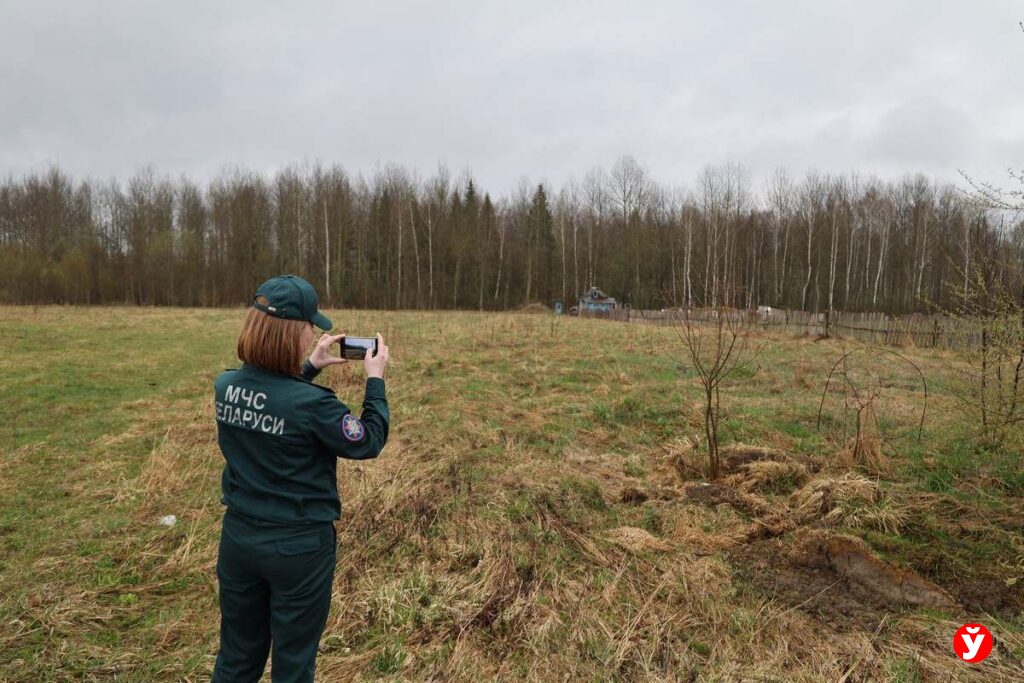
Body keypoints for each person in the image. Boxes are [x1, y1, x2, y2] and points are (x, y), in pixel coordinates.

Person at [211, 274, 390, 683]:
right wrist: (375, 379)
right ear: (294, 331)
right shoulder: (314, 407)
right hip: (298, 549)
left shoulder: (226, 387)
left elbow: (273, 404)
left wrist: (310, 368)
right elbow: (367, 441)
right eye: (311, 326)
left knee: (236, 657)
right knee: (293, 665)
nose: (314, 334)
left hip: (239, 540)